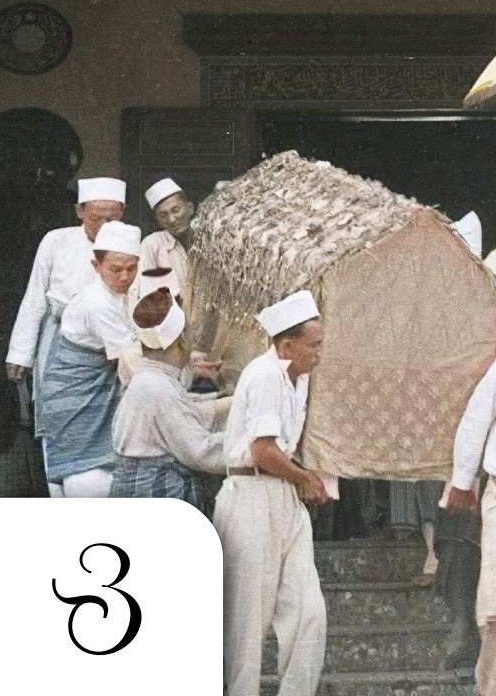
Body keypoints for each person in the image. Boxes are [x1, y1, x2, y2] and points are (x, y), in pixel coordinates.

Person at [214, 290, 332, 696]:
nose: (319, 352)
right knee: (247, 618)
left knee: (308, 611)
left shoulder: (299, 379)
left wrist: (302, 479)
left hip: (282, 498)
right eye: (313, 344)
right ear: (286, 346)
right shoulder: (264, 375)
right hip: (249, 495)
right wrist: (304, 478)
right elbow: (262, 451)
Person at [6, 177, 126, 491]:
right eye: (96, 217)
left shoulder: (127, 245)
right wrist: (21, 353)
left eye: (112, 217)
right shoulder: (55, 241)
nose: (104, 224)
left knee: (105, 424)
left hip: (109, 351)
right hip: (58, 347)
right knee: (57, 418)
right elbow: (35, 298)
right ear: (78, 211)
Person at [441, 249, 496, 694]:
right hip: (478, 475)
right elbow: (471, 415)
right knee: (464, 552)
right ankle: (467, 642)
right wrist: (461, 480)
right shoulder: (468, 330)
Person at [35, 221, 141, 498]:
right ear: (96, 266)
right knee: (85, 473)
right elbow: (133, 366)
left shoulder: (120, 294)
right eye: (116, 269)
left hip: (94, 392)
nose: (124, 276)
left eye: (131, 268)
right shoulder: (97, 304)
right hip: (79, 399)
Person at [108, 285, 226, 508]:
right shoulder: (158, 388)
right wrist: (250, 450)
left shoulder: (146, 377)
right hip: (155, 495)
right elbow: (200, 451)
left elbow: (185, 413)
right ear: (181, 339)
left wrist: (228, 402)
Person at [140, 178, 196, 308]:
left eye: (176, 210)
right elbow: (144, 292)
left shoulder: (209, 239)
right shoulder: (152, 244)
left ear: (190, 208)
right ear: (157, 220)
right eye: (163, 215)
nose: (171, 219)